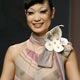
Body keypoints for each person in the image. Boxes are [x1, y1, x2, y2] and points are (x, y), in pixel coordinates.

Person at [0, 0, 80, 80]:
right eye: (31, 13)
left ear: (52, 12)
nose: (37, 18)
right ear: (25, 14)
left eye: (42, 11)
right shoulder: (14, 52)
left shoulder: (65, 50)